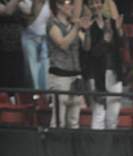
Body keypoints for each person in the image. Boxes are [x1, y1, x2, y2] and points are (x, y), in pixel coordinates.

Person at [47, 0, 91, 128]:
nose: (71, 6)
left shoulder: (73, 26)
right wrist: (76, 28)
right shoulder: (52, 23)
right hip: (60, 76)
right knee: (58, 121)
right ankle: (56, 146)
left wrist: (86, 31)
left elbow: (87, 47)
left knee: (74, 120)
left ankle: (73, 147)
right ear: (59, 5)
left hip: (75, 77)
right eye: (68, 3)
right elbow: (62, 43)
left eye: (72, 3)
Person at [83, 0, 123, 129]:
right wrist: (91, 33)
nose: (95, 6)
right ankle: (96, 146)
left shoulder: (111, 22)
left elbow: (119, 45)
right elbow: (89, 51)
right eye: (91, 3)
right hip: (97, 74)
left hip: (114, 72)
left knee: (113, 115)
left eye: (97, 2)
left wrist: (117, 30)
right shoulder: (89, 25)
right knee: (98, 113)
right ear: (88, 6)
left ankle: (110, 146)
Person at [20, 0, 51, 90]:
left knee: (45, 70)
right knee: (33, 71)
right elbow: (28, 21)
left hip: (44, 39)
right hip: (30, 39)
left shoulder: (48, 2)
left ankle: (45, 97)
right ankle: (36, 96)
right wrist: (37, 4)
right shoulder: (25, 2)